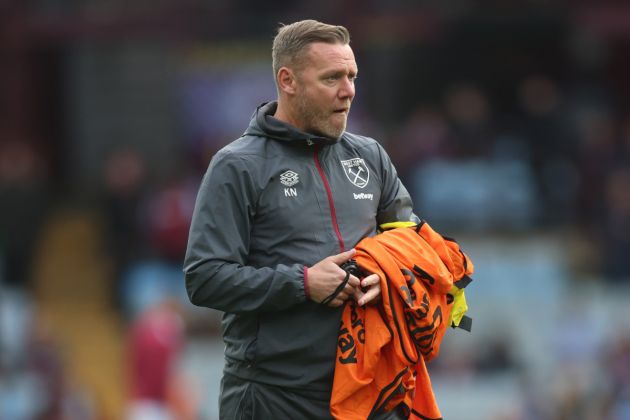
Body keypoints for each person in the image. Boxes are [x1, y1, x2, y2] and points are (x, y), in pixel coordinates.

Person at [183, 19, 419, 419]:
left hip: (369, 391)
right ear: (288, 81)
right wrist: (303, 283)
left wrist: (390, 277)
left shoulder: (370, 156)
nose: (349, 91)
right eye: (332, 78)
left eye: (352, 76)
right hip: (275, 397)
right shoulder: (237, 165)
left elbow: (410, 246)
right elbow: (204, 277)